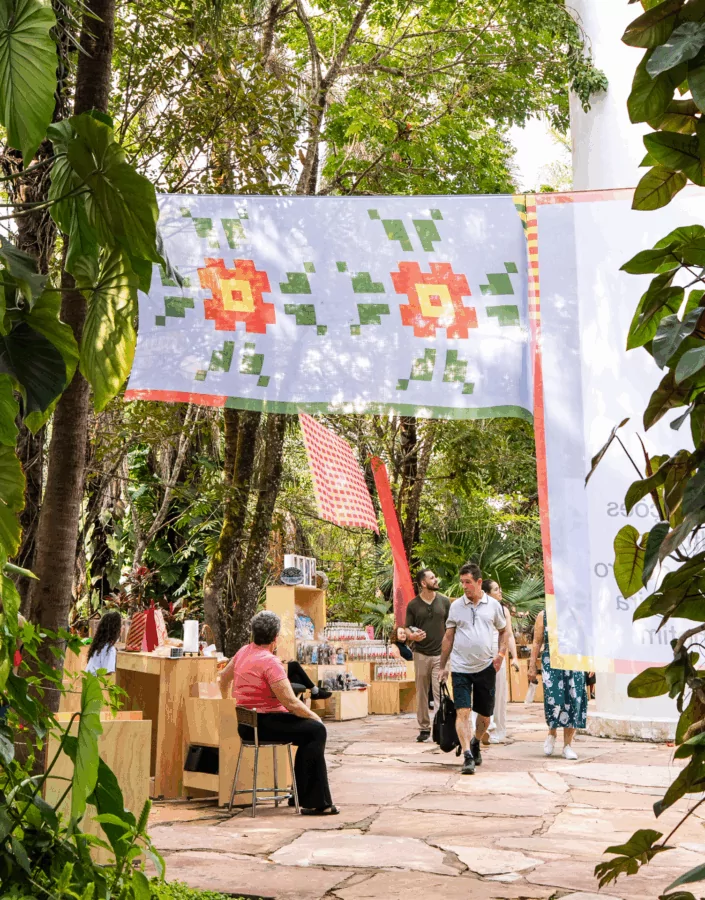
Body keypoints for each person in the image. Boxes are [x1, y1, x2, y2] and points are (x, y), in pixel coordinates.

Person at [219, 610, 338, 816]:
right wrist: (316, 717)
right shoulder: (270, 661)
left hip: (246, 725)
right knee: (316, 731)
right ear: (275, 637)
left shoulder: (243, 652)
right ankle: (317, 802)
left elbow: (223, 678)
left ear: (254, 633)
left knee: (310, 732)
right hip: (266, 724)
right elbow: (291, 702)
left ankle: (299, 795)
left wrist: (227, 702)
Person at [439, 563, 507, 775]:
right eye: (462, 582)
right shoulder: (456, 606)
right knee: (463, 711)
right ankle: (467, 754)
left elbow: (504, 631)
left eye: (468, 582)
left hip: (486, 666)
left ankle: (476, 741)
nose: (464, 586)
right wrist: (443, 666)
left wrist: (501, 655)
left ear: (479, 582)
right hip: (461, 667)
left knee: (485, 715)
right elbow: (448, 637)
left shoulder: (493, 606)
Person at [529, 609, 588, 760]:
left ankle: (567, 745)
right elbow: (537, 642)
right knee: (554, 699)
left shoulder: (577, 612)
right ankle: (552, 732)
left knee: (574, 701)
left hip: (574, 661)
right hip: (552, 662)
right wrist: (532, 665)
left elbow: (585, 639)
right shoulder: (544, 615)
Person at [404, 569, 450, 742]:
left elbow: (450, 628)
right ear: (423, 583)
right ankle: (424, 727)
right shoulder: (413, 605)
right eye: (432, 578)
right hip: (420, 654)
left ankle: (440, 727)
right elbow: (406, 628)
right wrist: (412, 636)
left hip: (441, 655)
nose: (436, 579)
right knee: (422, 692)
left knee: (439, 692)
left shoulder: (444, 602)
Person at [482, 579, 519, 744]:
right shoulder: (479, 609)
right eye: (496, 589)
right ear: (487, 593)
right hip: (481, 654)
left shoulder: (504, 610)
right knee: (482, 691)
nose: (500, 592)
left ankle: (498, 729)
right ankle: (482, 727)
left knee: (499, 692)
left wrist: (514, 657)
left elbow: (509, 635)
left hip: (499, 653)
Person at [85, 610, 122, 675]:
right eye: (121, 626)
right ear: (115, 630)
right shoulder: (110, 650)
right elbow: (108, 673)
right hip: (97, 680)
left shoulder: (98, 646)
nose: (123, 628)